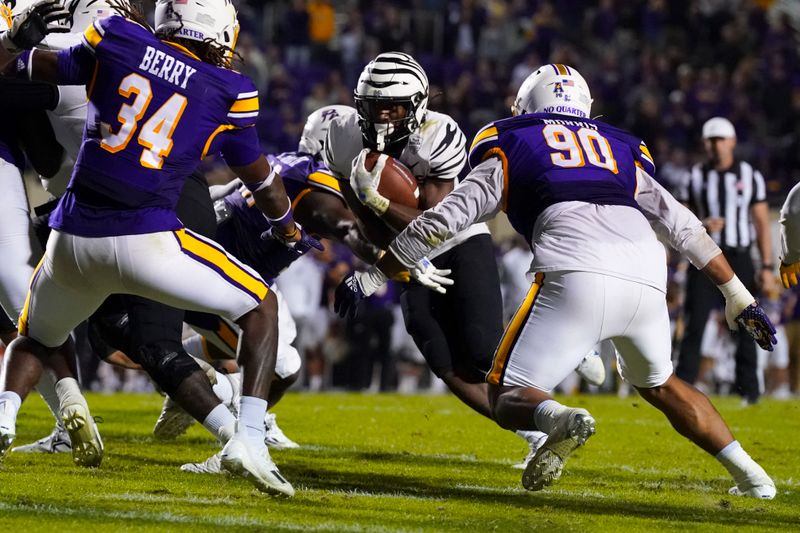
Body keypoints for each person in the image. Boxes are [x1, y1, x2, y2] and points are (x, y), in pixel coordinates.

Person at [335, 64, 778, 499]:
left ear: (527, 105)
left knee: (506, 396)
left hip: (575, 270)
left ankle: (560, 418)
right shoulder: (619, 146)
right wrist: (736, 294)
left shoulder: (512, 139)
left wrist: (373, 275)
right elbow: (682, 225)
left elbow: (443, 221)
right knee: (663, 384)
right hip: (646, 271)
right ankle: (754, 478)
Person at [0, 0, 324, 497]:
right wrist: (287, 229)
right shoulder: (228, 88)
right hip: (148, 242)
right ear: (219, 33)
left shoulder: (117, 39)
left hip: (72, 242)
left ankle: (5, 415)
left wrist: (17, 45)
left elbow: (37, 67)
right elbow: (261, 180)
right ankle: (250, 439)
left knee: (35, 335)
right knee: (262, 306)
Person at [324, 52, 605, 464]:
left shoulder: (438, 132)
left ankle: (570, 346)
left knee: (482, 352)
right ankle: (536, 433)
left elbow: (436, 221)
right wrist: (382, 237)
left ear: (418, 105)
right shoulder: (342, 136)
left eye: (395, 107)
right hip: (401, 253)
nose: (384, 118)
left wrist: (379, 201)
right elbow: (367, 226)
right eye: (374, 106)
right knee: (444, 361)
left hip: (457, 240)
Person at [675, 117, 774, 404]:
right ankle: (683, 390)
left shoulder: (749, 174)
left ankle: (750, 391)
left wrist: (766, 266)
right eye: (711, 140)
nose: (717, 145)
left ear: (731, 142)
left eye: (721, 139)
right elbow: (680, 216)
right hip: (704, 256)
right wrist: (702, 223)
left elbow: (760, 223)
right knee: (695, 324)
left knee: (748, 322)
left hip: (739, 257)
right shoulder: (694, 176)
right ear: (705, 143)